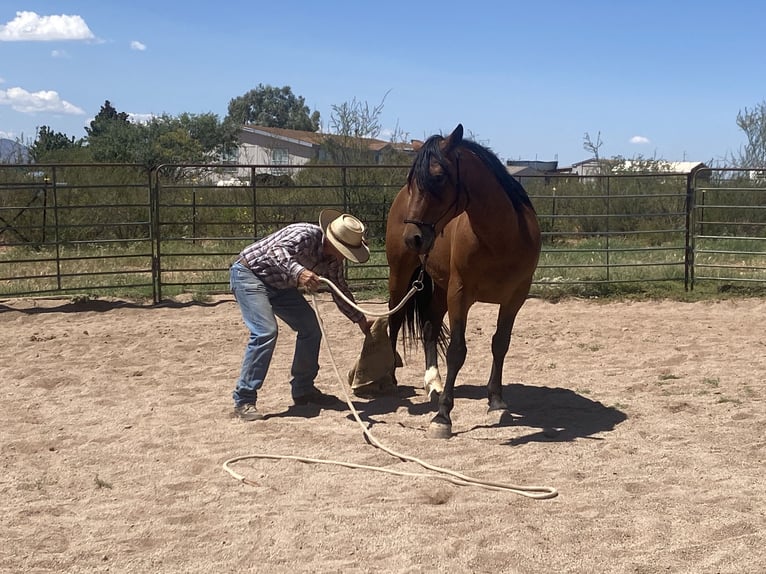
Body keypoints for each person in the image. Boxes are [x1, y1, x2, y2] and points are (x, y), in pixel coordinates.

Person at [229, 209, 373, 421]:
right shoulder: (303, 234)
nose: (345, 256)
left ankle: (303, 390)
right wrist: (299, 272)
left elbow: (339, 290)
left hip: (280, 285)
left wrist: (361, 320)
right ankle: (244, 399)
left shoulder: (332, 261)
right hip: (249, 275)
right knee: (265, 332)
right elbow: (275, 251)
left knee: (311, 328)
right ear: (333, 241)